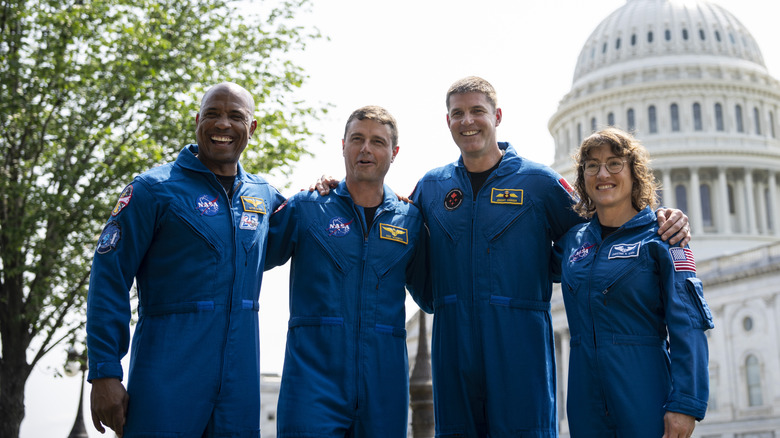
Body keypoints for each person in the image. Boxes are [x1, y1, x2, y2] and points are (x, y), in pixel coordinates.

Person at [314, 76, 690, 437]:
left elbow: (606, 219)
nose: (468, 121)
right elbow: (391, 221)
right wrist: (337, 190)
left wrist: (658, 217)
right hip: (453, 353)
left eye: (477, 111)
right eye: (458, 114)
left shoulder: (539, 183)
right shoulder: (432, 186)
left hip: (520, 351)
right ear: (448, 121)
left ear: (496, 116)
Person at [86, 82, 286, 437]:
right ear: (197, 122)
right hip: (166, 377)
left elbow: (309, 229)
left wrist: (330, 189)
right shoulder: (153, 189)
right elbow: (109, 276)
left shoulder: (265, 197)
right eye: (212, 114)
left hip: (239, 385)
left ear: (251, 128)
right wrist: (104, 371)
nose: (223, 124)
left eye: (235, 116)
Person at [265, 106, 429, 437]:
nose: (366, 148)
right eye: (357, 138)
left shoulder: (411, 221)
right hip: (312, 386)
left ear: (394, 153)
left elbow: (434, 295)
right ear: (343, 145)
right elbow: (247, 254)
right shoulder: (306, 208)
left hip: (384, 389)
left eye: (377, 142)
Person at [553, 128, 712, 438]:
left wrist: (686, 405)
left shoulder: (665, 237)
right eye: (592, 165)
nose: (603, 174)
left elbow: (689, 325)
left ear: (634, 172)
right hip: (585, 397)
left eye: (614, 163)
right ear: (583, 176)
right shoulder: (573, 242)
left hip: (644, 389)